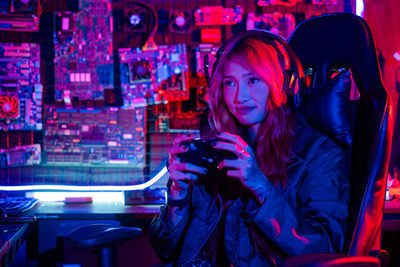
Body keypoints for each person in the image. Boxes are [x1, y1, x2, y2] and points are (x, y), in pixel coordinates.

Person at [150, 30, 349, 267]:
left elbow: (325, 250)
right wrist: (177, 195)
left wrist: (262, 187)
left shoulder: (320, 154)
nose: (239, 96)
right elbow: (165, 250)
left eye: (253, 80)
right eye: (229, 83)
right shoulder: (219, 150)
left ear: (286, 85)